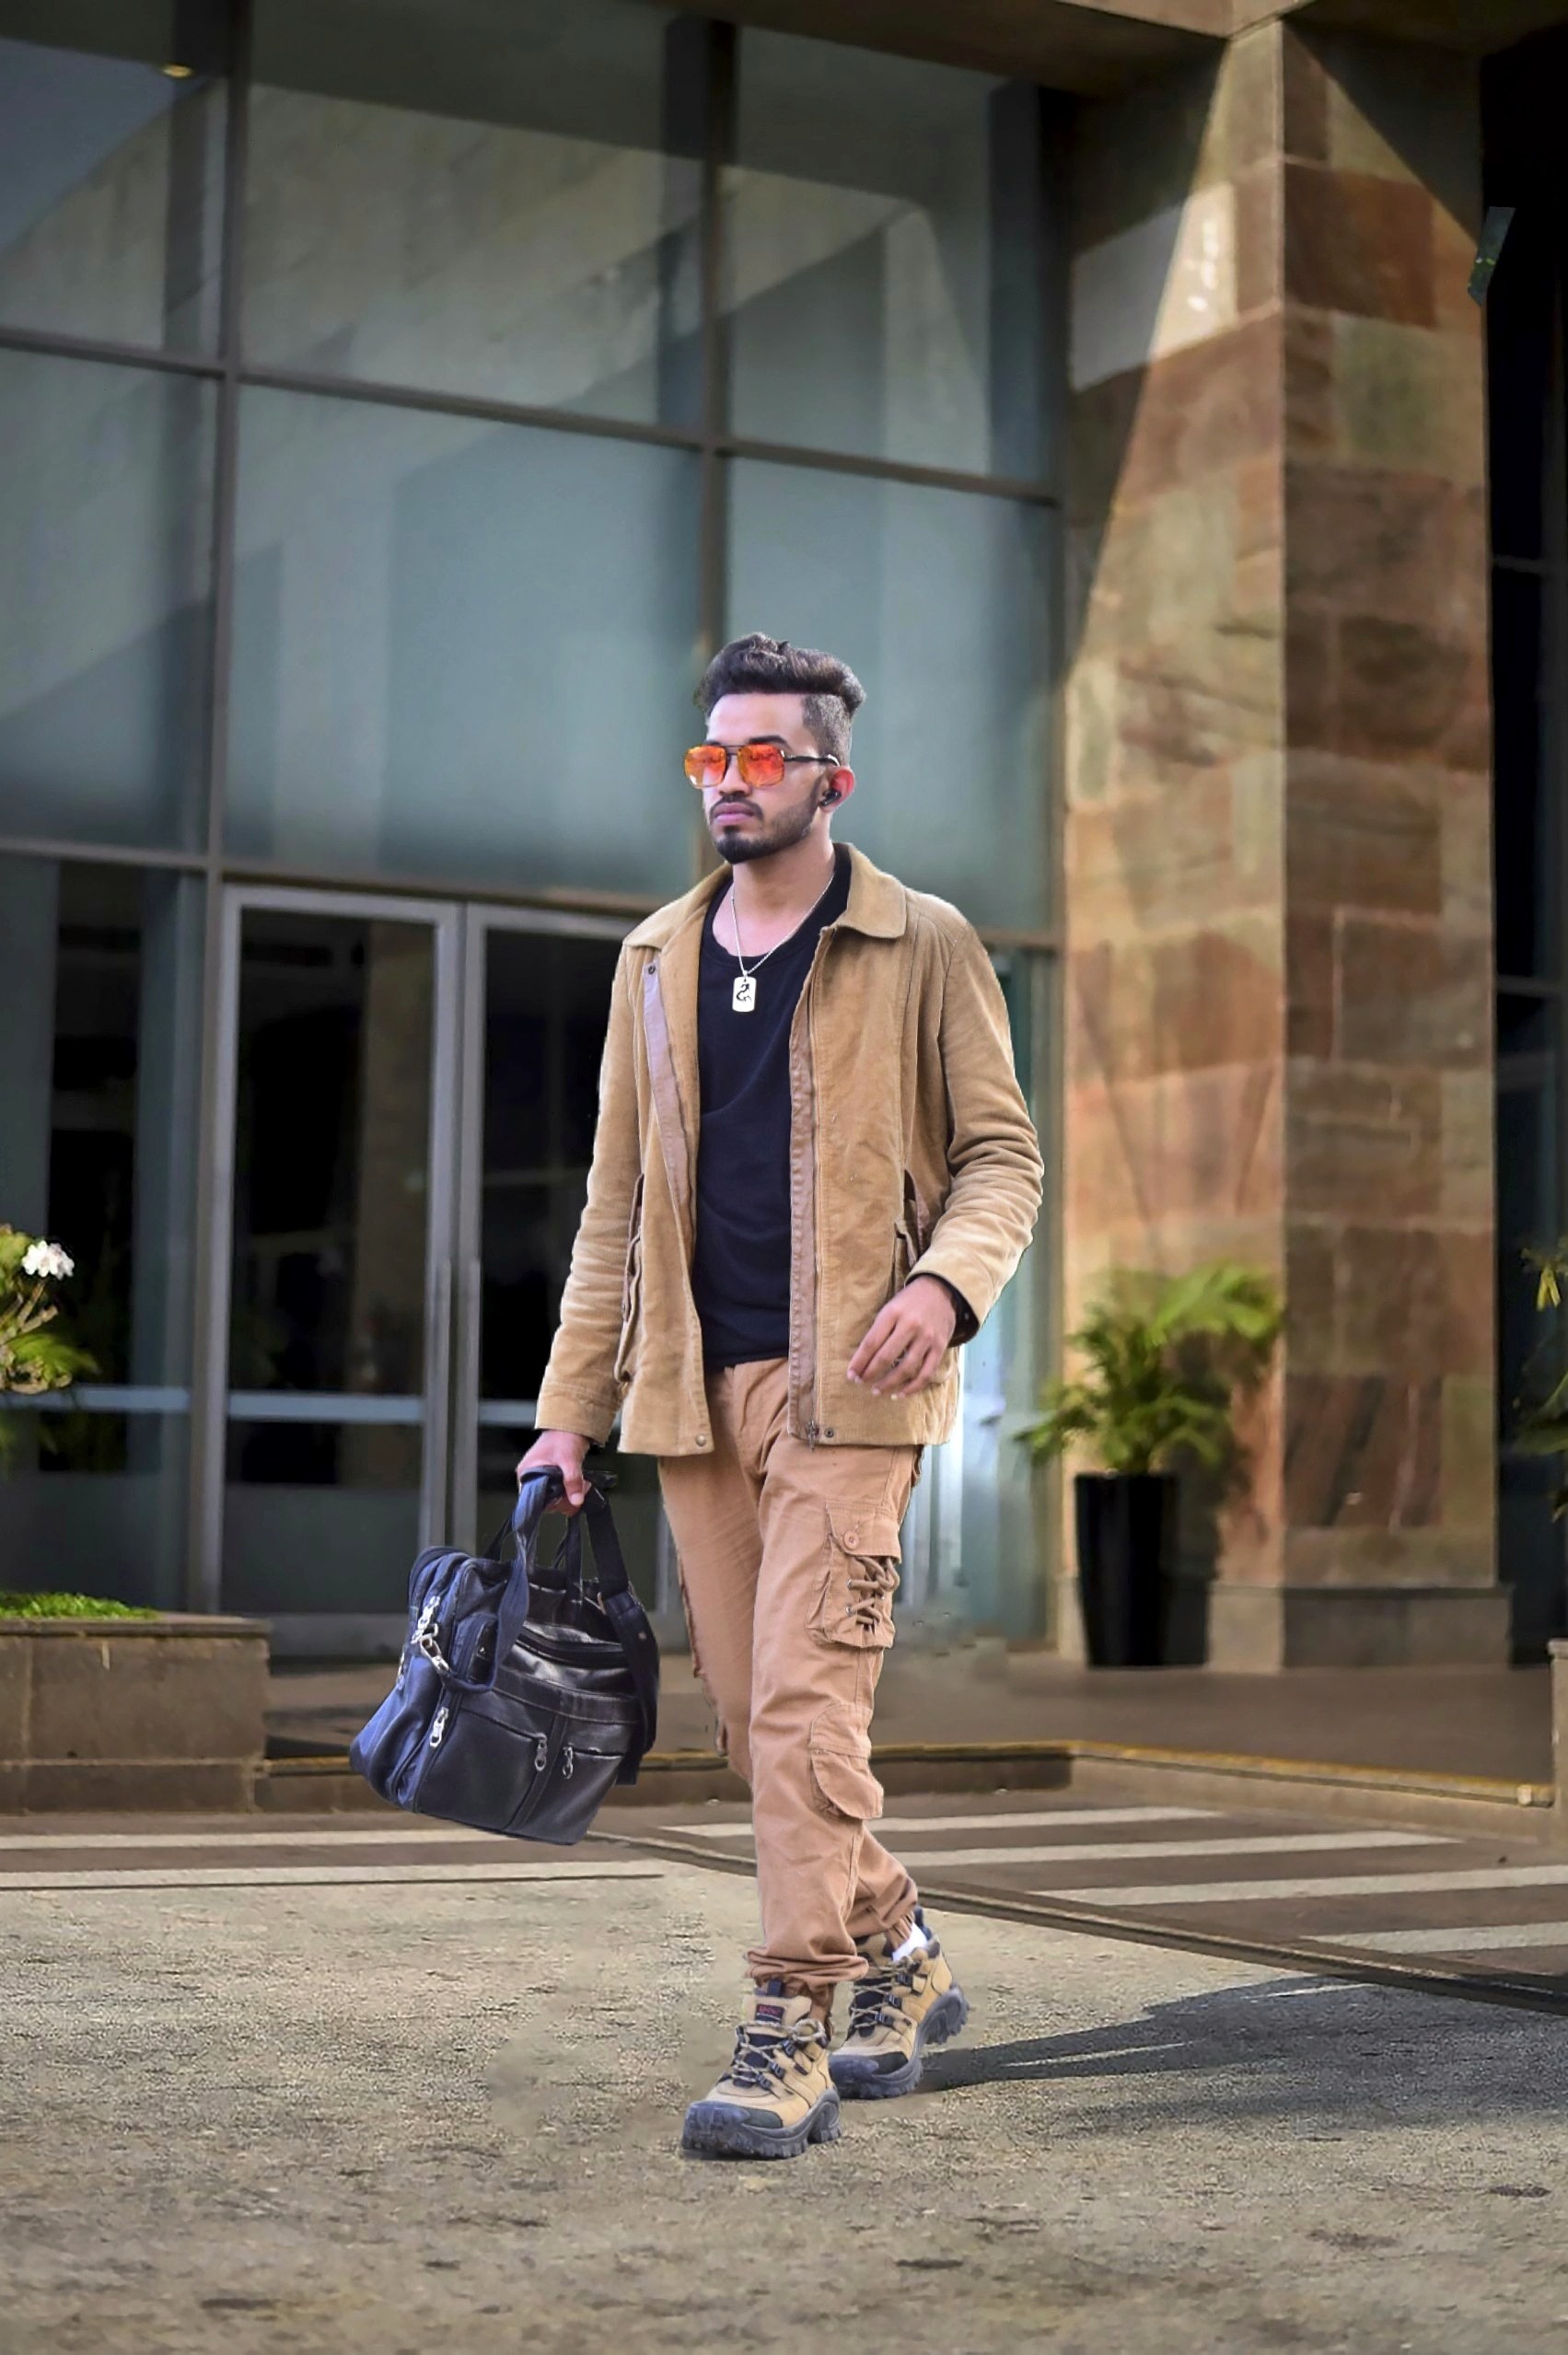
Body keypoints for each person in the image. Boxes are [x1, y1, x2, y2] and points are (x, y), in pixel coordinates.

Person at [517, 632, 1042, 2160]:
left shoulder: (922, 942)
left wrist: (943, 1288)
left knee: (810, 1708)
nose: (730, 784)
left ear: (832, 778)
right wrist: (569, 1411)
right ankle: (902, 1946)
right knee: (759, 1735)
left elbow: (1002, 1156)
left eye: (761, 757)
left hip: (852, 1399)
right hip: (693, 1396)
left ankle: (789, 2024)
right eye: (712, 758)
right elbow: (614, 1208)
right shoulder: (653, 962)